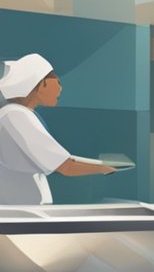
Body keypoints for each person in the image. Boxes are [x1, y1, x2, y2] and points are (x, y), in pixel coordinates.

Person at [0, 53, 115, 205]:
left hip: (24, 209)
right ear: (41, 84)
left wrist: (101, 164)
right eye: (58, 82)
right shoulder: (15, 116)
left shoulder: (15, 114)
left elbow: (64, 159)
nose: (60, 89)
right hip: (22, 210)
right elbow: (66, 166)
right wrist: (102, 168)